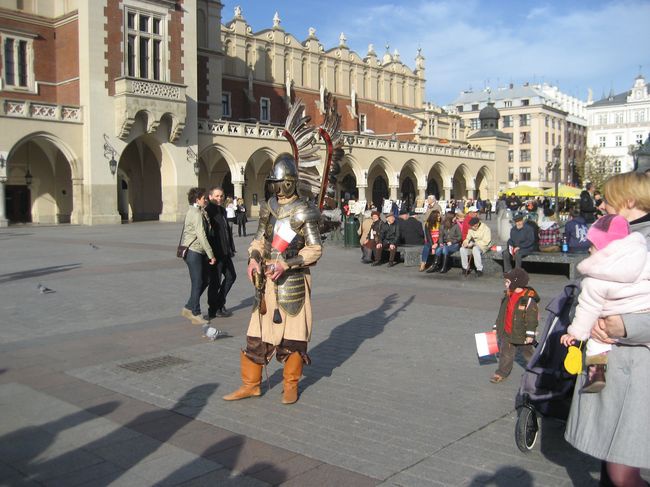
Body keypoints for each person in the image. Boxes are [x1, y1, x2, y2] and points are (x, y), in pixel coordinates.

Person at [565, 171, 650, 486]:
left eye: (607, 199)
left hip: (633, 365)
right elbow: (589, 288)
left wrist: (624, 325)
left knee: (621, 470)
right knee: (608, 455)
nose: (599, 205)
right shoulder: (616, 234)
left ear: (629, 201)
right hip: (605, 361)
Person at [222, 153, 323, 405]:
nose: (276, 188)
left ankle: (290, 385)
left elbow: (314, 249)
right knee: (256, 335)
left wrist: (285, 264)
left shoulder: (303, 210)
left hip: (293, 282)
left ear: (288, 182)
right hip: (266, 281)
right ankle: (251, 385)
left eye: (279, 183)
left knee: (293, 339)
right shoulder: (269, 206)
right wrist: (254, 258)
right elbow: (260, 240)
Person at [560, 214, 650, 393]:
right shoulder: (645, 260)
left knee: (596, 344)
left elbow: (587, 308)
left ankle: (596, 375)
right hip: (643, 312)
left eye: (592, 245)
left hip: (609, 323)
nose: (589, 250)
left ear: (603, 249)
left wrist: (576, 333)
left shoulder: (596, 280)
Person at [489, 268, 539, 383]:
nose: (505, 284)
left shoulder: (528, 298)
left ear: (516, 282)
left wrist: (530, 334)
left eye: (507, 281)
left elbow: (532, 318)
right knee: (505, 354)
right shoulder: (508, 296)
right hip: (507, 332)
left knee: (528, 353)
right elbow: (502, 313)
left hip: (522, 333)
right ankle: (501, 372)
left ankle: (536, 371)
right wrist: (496, 326)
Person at [181, 187, 216, 325]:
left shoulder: (198, 211)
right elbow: (201, 235)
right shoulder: (195, 213)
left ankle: (189, 307)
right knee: (198, 282)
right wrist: (211, 254)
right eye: (204, 198)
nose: (206, 200)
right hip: (194, 251)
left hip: (198, 251)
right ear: (197, 200)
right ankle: (195, 313)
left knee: (205, 279)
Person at [205, 187, 237, 318]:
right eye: (217, 196)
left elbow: (227, 232)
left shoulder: (223, 211)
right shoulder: (208, 212)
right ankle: (213, 308)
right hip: (215, 253)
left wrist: (231, 247)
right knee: (215, 282)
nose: (219, 198)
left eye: (221, 196)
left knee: (231, 276)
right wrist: (209, 254)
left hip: (225, 252)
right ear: (210, 196)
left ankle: (219, 302)